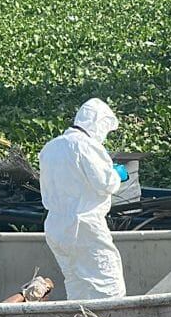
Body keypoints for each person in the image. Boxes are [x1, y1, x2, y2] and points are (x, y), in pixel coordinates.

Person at [39, 99, 128, 301]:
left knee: (77, 284)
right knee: (109, 286)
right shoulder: (85, 145)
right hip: (84, 226)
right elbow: (105, 183)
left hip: (56, 226)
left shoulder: (51, 147)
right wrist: (116, 174)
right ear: (99, 123)